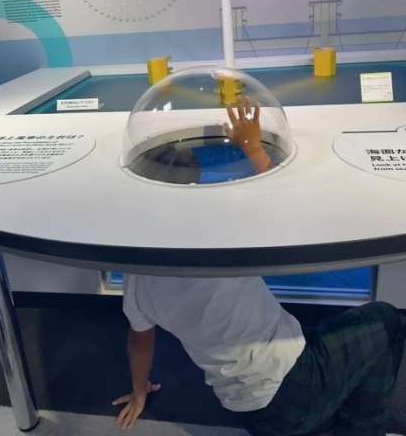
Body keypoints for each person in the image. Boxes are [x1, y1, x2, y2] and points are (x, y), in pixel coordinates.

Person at [113, 98, 406, 436]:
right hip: (295, 385)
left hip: (245, 409)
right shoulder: (219, 232)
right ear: (191, 185)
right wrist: (252, 147)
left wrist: (139, 392)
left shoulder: (137, 274)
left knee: (325, 339)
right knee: (386, 320)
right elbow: (285, 209)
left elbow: (139, 340)